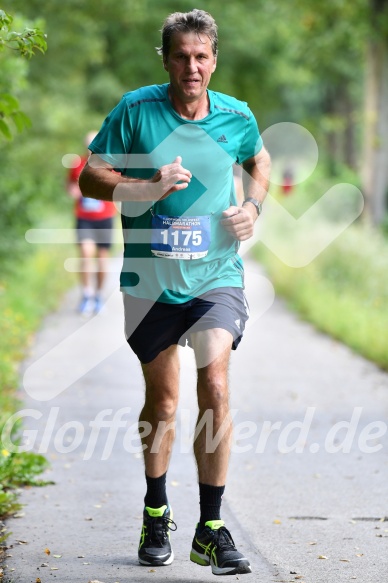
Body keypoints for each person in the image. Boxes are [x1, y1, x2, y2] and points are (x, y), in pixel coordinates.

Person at [79, 9, 270, 576]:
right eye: (182, 56)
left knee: (214, 383)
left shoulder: (236, 116)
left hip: (215, 277)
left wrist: (252, 209)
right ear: (165, 59)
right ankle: (156, 509)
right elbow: (92, 174)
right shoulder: (137, 110)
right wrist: (148, 185)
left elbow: (258, 160)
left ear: (215, 59)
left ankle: (210, 527)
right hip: (150, 282)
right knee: (163, 402)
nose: (192, 66)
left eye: (202, 56)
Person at [67, 132, 116, 315]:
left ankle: (98, 296)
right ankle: (86, 295)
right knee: (86, 255)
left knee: (102, 259)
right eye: (89, 146)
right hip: (84, 216)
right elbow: (70, 185)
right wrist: (74, 191)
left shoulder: (110, 166)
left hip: (104, 218)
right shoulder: (77, 165)